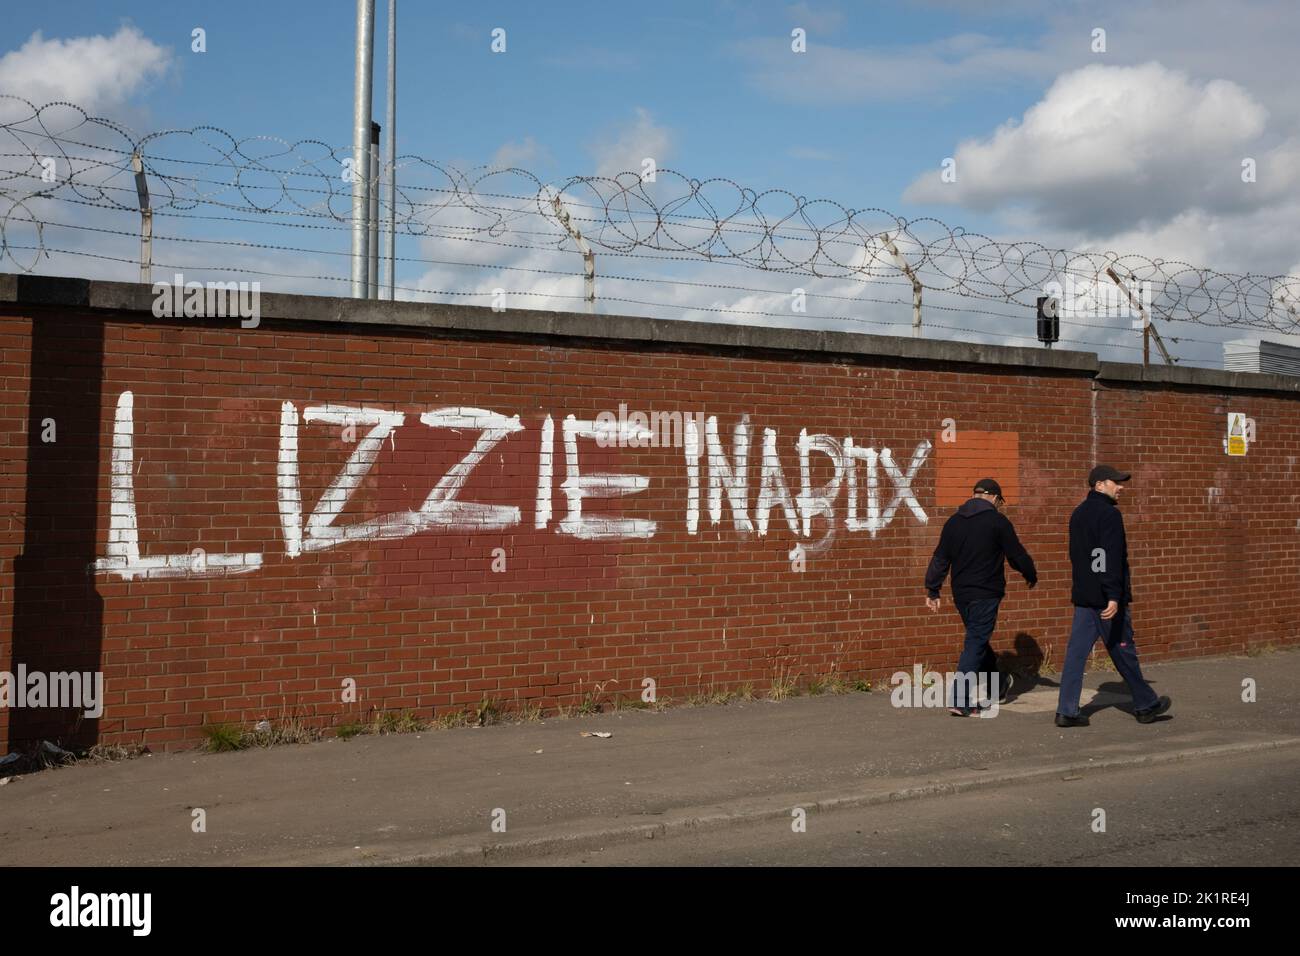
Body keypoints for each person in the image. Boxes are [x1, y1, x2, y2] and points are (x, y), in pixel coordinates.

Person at [1055, 465, 1171, 728]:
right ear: (1099, 485)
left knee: (1076, 654)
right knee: (1122, 649)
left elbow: (1081, 557)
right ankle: (1146, 704)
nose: (1121, 487)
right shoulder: (1108, 515)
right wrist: (1112, 594)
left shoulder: (1078, 514)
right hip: (1105, 599)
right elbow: (1105, 557)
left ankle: (1066, 710)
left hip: (1085, 596)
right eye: (1116, 482)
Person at [925, 478, 1037, 716]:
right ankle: (960, 699)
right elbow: (1016, 554)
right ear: (995, 498)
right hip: (986, 593)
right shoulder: (997, 522)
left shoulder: (953, 522)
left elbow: (940, 558)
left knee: (978, 639)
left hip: (961, 594)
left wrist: (933, 589)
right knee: (974, 643)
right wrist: (1030, 573)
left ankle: (998, 683)